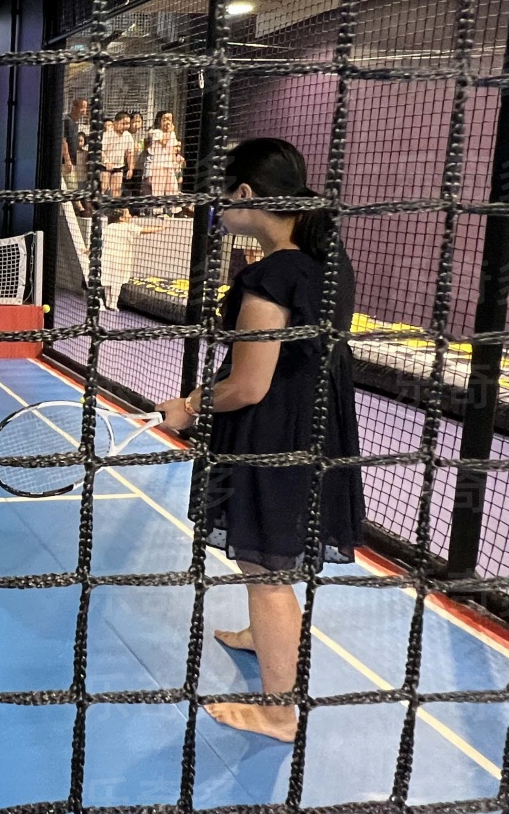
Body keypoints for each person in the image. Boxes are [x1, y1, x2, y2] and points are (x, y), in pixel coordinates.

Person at [155, 138, 364, 743]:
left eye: (222, 196)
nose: (216, 209)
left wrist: (189, 407)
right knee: (273, 559)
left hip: (272, 435)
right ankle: (259, 636)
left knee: (265, 573)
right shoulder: (327, 259)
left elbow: (248, 385)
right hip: (316, 429)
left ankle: (278, 713)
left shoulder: (269, 278)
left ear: (245, 194)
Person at [99, 111, 139, 217]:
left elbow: (130, 153)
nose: (126, 126)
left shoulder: (128, 136)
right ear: (115, 122)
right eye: (123, 123)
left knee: (116, 190)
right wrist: (107, 162)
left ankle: (114, 212)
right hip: (105, 166)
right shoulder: (107, 134)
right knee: (104, 187)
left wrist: (130, 168)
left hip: (119, 166)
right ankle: (99, 211)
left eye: (128, 123)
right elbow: (101, 151)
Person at [144, 111, 184, 213]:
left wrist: (175, 162)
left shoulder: (172, 134)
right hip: (158, 165)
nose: (167, 122)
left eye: (169, 119)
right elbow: (164, 142)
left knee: (173, 187)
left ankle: (173, 210)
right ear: (160, 121)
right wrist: (169, 131)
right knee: (158, 189)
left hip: (169, 165)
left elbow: (172, 149)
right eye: (165, 119)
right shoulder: (155, 132)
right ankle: (157, 211)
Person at [61, 98, 93, 217]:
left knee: (71, 186)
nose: (84, 111)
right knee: (72, 186)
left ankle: (79, 209)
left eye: (85, 108)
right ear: (74, 107)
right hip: (65, 161)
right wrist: (67, 159)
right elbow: (63, 141)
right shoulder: (66, 121)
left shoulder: (74, 123)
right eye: (82, 107)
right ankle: (80, 209)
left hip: (71, 161)